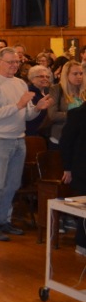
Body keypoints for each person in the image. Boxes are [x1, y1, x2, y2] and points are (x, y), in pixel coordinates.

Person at [0, 48, 53, 241]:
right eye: (10, 62)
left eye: (16, 62)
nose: (14, 65)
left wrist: (37, 108)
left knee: (12, 184)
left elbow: (27, 114)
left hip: (18, 139)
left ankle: (4, 220)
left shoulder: (21, 83)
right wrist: (19, 105)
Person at [60, 104, 86, 256]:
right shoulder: (77, 114)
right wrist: (67, 168)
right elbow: (66, 142)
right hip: (82, 168)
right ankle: (82, 243)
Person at [45, 61, 86, 148]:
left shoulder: (84, 92)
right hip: (60, 137)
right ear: (66, 75)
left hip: (80, 139)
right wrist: (75, 115)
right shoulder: (56, 89)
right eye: (75, 74)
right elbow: (52, 114)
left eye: (81, 73)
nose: (79, 77)